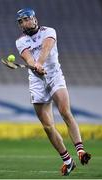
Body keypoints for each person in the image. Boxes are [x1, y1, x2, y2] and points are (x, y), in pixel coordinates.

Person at [15, 8, 91, 176]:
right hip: (37, 82)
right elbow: (28, 59)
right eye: (20, 21)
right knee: (48, 126)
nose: (24, 23)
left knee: (65, 112)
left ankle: (80, 150)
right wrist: (35, 66)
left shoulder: (49, 31)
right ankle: (68, 161)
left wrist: (40, 63)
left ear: (34, 19)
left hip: (55, 76)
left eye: (26, 19)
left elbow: (47, 49)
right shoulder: (20, 41)